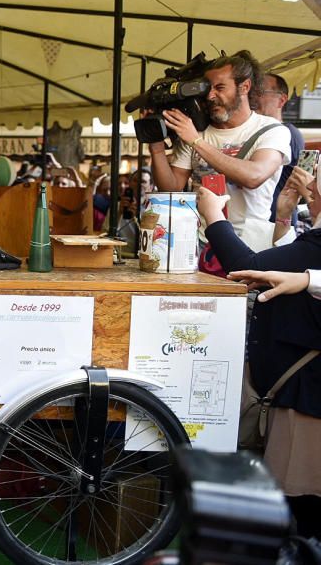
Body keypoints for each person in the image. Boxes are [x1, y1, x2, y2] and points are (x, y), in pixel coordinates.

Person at [197, 182, 321, 539]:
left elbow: (247, 266)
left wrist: (213, 216)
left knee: (306, 509)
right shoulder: (310, 242)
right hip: (300, 394)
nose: (309, 185)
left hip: (308, 400)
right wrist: (284, 218)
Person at [149, 50, 291, 252]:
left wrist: (196, 141)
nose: (210, 95)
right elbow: (170, 189)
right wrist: (156, 146)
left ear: (244, 87)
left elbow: (254, 176)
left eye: (220, 87)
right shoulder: (197, 129)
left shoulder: (272, 130)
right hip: (199, 245)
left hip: (248, 246)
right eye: (207, 88)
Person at [256, 73, 304, 226]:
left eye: (261, 92)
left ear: (282, 100)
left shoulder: (288, 133)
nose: (254, 97)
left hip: (277, 221)